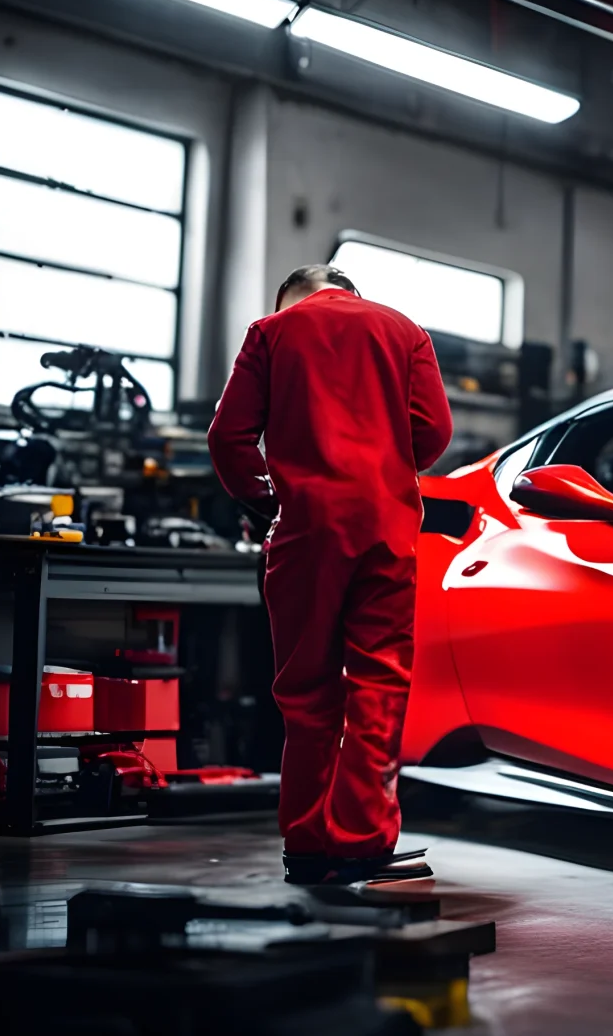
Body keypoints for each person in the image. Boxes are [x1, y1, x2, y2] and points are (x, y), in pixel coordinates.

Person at [209, 265, 452, 886]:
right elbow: (434, 430)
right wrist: (384, 467)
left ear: (293, 297)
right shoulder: (405, 332)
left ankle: (308, 842)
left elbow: (228, 437)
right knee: (378, 682)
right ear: (349, 292)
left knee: (306, 691)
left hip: (305, 529)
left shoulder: (271, 331)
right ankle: (363, 840)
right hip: (386, 528)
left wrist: (267, 496)